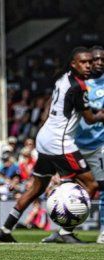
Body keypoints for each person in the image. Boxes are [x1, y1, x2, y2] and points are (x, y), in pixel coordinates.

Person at [0, 47, 104, 243]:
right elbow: (89, 119)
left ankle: (5, 228)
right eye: (84, 62)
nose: (88, 66)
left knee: (37, 187)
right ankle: (64, 232)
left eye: (90, 62)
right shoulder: (78, 87)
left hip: (45, 137)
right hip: (60, 143)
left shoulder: (63, 78)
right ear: (73, 64)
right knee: (92, 184)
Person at [42, 46, 104, 243]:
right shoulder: (78, 83)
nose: (98, 63)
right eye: (94, 59)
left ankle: (102, 231)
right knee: (70, 188)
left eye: (102, 59)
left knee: (100, 186)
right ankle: (64, 230)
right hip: (73, 142)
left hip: (98, 144)